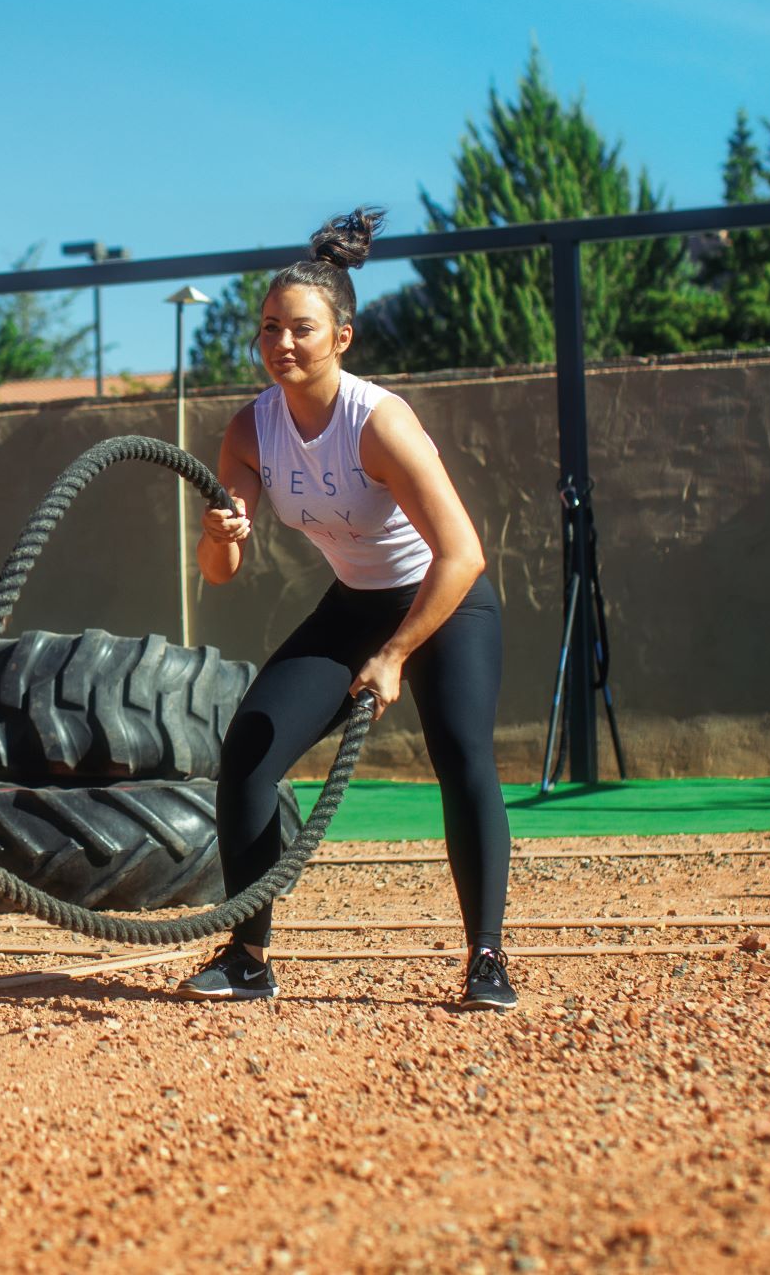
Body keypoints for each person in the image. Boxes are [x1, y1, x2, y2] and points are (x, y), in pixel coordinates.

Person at [179, 209, 515, 1011]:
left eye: (300, 328)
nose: (280, 344)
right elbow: (220, 572)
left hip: (445, 601)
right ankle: (249, 956)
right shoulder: (250, 430)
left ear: (342, 338)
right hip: (355, 603)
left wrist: (397, 654)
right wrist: (219, 531)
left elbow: (463, 553)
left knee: (461, 754)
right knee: (250, 751)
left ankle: (487, 958)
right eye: (268, 328)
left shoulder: (378, 422)